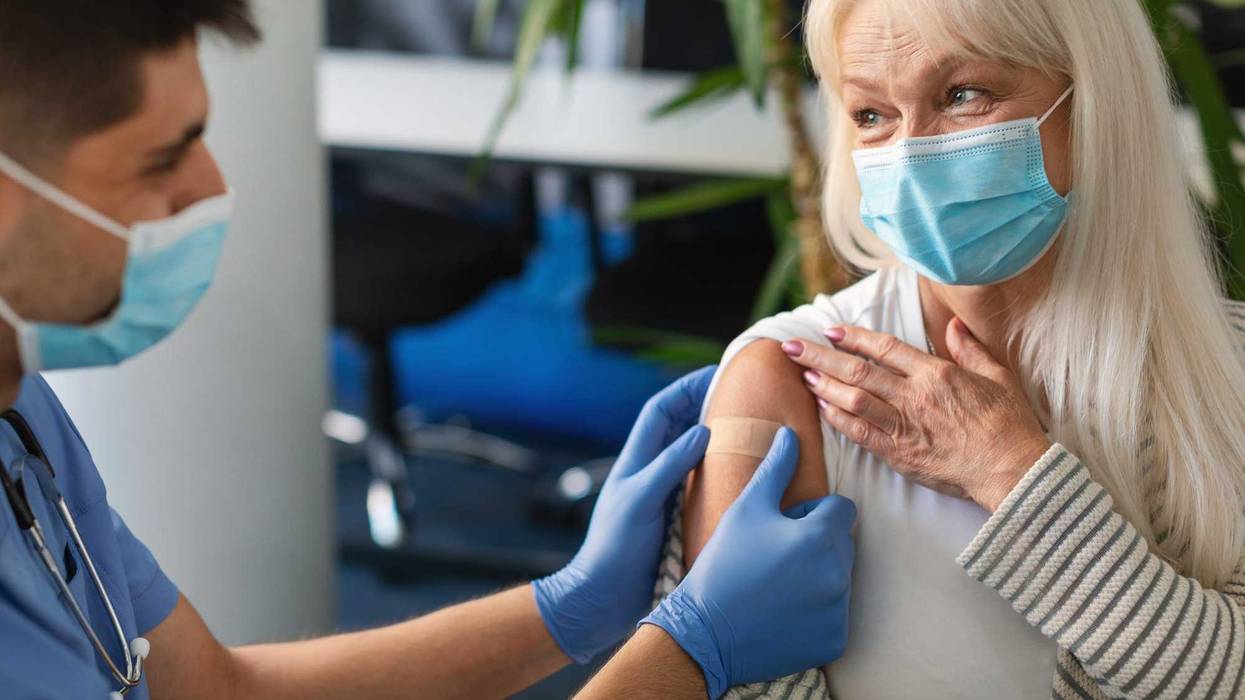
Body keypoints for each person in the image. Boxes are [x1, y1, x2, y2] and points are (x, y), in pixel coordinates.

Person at [0, 2, 860, 699]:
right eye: (161, 161)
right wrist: (687, 657)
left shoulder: (24, 411)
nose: (212, 189)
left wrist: (570, 608)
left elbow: (217, 691)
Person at [679, 0, 1245, 698]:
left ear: (1094, 102)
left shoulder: (1231, 370)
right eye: (871, 113)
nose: (910, 153)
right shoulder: (788, 379)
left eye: (963, 95)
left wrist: (1008, 470)